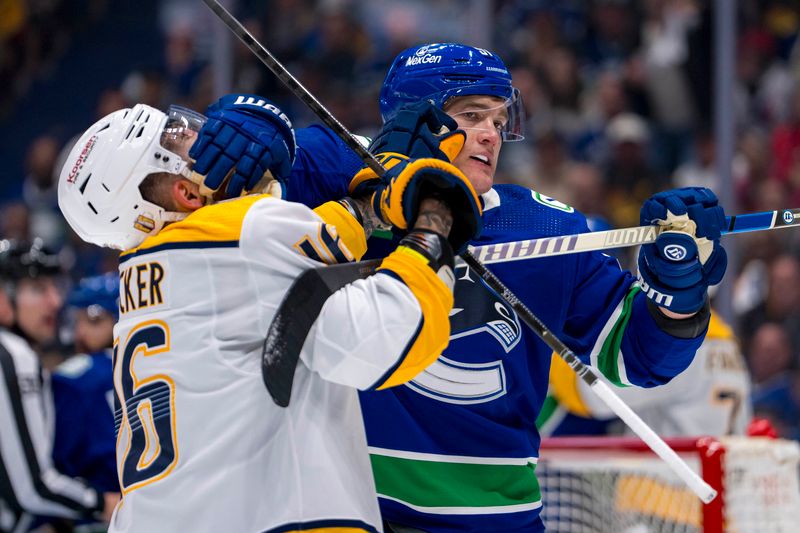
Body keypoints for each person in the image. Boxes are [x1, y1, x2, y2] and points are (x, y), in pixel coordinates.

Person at [187, 43, 728, 533]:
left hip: (492, 523)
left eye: (499, 118)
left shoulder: (546, 229)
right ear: (413, 119)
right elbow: (251, 178)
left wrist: (676, 295)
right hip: (341, 510)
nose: (492, 133)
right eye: (472, 116)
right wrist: (255, 126)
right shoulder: (342, 179)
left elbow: (635, 358)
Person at [56, 99, 481, 532]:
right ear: (184, 193)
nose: (202, 136)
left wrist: (367, 205)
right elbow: (387, 341)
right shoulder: (242, 232)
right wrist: (435, 221)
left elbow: (273, 268)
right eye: (181, 139)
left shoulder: (140, 277)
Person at [0, 239, 118, 533]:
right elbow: (33, 488)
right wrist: (103, 504)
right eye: (38, 289)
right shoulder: (13, 354)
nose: (55, 302)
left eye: (55, 288)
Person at [538, 308, 752, 438]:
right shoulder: (729, 346)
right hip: (712, 493)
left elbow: (593, 394)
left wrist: (552, 348)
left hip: (662, 498)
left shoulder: (674, 347)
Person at [51, 273, 120, 512]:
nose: (79, 333)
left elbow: (57, 466)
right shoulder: (162, 366)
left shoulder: (72, 380)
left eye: (93, 321)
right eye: (76, 321)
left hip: (98, 513)